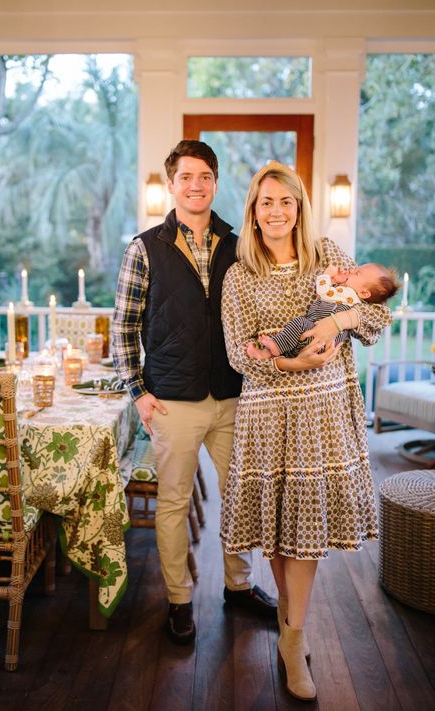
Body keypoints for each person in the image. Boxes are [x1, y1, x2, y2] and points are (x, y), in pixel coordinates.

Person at [219, 161, 392, 701]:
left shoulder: (330, 256)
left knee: (307, 528)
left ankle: (293, 639)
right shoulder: (239, 274)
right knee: (277, 527)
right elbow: (235, 351)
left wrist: (337, 322)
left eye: (286, 202)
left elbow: (377, 318)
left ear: (299, 208)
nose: (276, 211)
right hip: (269, 410)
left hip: (322, 414)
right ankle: (292, 633)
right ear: (254, 209)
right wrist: (290, 366)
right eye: (266, 202)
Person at [112, 140, 276, 646]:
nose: (196, 185)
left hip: (232, 396)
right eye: (186, 177)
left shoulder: (239, 241)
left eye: (205, 176)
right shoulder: (144, 247)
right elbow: (124, 327)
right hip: (172, 401)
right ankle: (179, 602)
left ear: (216, 182)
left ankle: (238, 587)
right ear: (171, 183)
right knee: (173, 504)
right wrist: (138, 393)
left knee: (240, 498)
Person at [250, 261, 399, 360]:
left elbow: (322, 292)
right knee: (298, 330)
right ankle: (273, 351)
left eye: (357, 273)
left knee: (300, 323)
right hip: (315, 335)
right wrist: (335, 281)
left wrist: (327, 275)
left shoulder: (351, 298)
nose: (351, 269)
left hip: (324, 340)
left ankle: (273, 348)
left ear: (365, 293)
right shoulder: (344, 291)